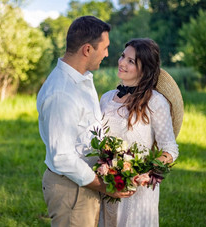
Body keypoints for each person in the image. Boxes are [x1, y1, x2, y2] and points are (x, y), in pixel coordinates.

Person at [36, 16, 134, 227]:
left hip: (84, 184)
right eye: (105, 48)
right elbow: (62, 158)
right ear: (87, 50)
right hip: (72, 189)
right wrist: (106, 187)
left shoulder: (82, 79)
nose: (108, 54)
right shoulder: (62, 93)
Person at [99, 38, 183, 226]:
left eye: (131, 61)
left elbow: (170, 149)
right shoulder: (106, 99)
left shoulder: (155, 102)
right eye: (123, 56)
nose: (121, 63)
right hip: (107, 186)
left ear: (144, 69)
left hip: (138, 190)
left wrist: (150, 173)